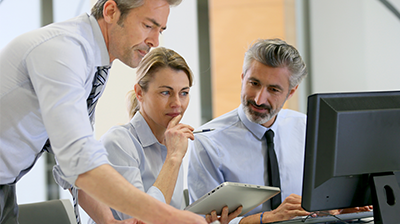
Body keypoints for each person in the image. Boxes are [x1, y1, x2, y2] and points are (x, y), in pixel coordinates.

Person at [0, 0, 207, 224]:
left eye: (160, 30)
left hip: (6, 187)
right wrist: (167, 217)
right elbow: (80, 160)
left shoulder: (94, 64)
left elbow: (71, 165)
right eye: (148, 25)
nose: (155, 42)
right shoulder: (64, 52)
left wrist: (109, 222)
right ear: (110, 12)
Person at [86, 47, 241, 224]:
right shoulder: (118, 142)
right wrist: (173, 158)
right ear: (139, 93)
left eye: (184, 93)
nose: (177, 103)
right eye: (165, 92)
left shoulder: (171, 142)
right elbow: (142, 220)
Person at [188, 38, 310, 224]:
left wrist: (337, 208)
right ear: (243, 77)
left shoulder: (307, 129)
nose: (259, 99)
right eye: (254, 83)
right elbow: (200, 221)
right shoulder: (208, 141)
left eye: (274, 89)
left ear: (291, 92)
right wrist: (267, 218)